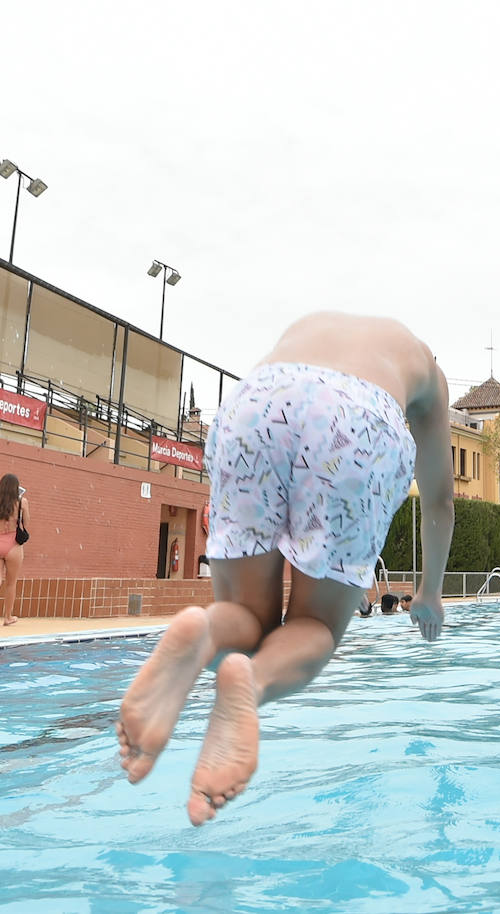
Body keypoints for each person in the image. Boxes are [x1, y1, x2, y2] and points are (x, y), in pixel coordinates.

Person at [117, 312, 454, 826]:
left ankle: (204, 632)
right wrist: (429, 594)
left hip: (257, 402)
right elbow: (440, 500)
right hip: (356, 416)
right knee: (312, 626)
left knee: (244, 618)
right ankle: (248, 686)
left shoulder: (312, 324)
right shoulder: (425, 367)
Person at [0, 474, 29, 627]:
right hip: (13, 546)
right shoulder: (21, 502)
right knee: (11, 583)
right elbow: (26, 523)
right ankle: (7, 617)